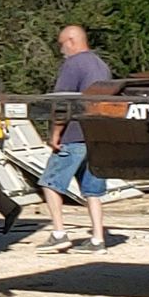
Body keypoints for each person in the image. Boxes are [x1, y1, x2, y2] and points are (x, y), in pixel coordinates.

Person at [39, 24, 112, 252]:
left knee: (50, 183)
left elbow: (63, 104)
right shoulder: (102, 65)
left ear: (71, 41)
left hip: (75, 134)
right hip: (98, 136)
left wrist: (55, 133)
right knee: (92, 190)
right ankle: (98, 238)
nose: (62, 50)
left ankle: (59, 233)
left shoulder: (73, 65)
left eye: (62, 44)